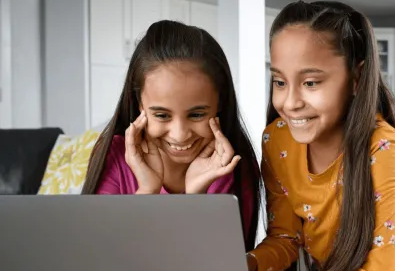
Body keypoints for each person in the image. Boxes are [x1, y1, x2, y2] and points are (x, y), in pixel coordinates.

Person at [246, 0, 395, 271]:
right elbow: (286, 238)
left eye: (311, 82)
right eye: (279, 81)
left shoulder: (382, 148)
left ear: (356, 78)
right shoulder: (276, 140)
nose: (290, 103)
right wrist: (245, 270)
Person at [82, 20, 261, 252]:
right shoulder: (114, 156)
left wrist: (195, 199)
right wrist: (147, 192)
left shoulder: (233, 167)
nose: (179, 135)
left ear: (220, 104)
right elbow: (100, 258)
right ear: (140, 106)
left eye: (196, 114)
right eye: (162, 115)